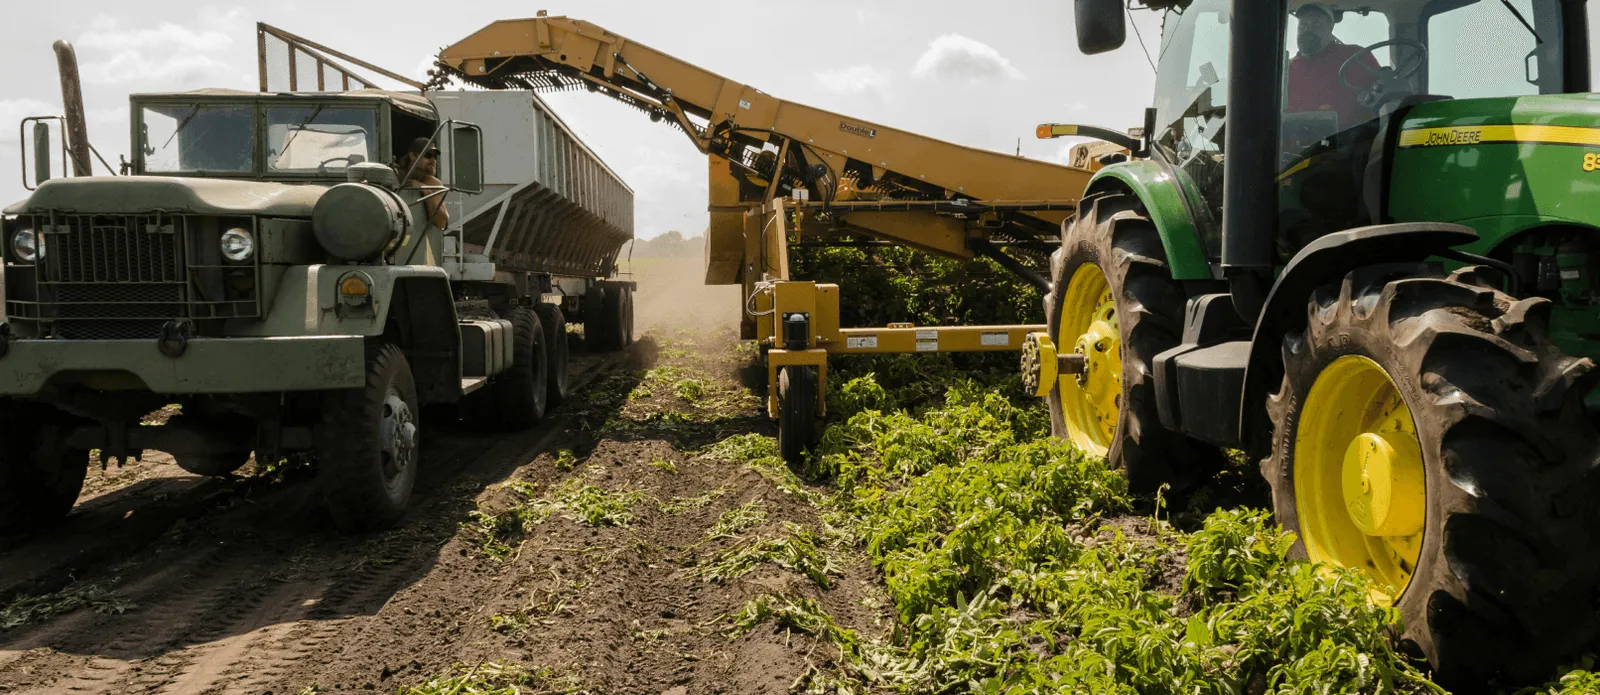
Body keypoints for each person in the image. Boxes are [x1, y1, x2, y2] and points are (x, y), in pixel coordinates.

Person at [1286, 3, 1380, 129]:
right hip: (1294, 143)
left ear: (1330, 27)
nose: (1308, 29)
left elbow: (1382, 91)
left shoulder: (1356, 56)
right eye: (1303, 25)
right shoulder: (1287, 68)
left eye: (1316, 25)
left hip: (1350, 141)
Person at [396, 136, 450, 230]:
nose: (433, 161)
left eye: (435, 157)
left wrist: (427, 191)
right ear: (412, 155)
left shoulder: (432, 183)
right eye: (428, 155)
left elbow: (441, 222)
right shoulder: (395, 175)